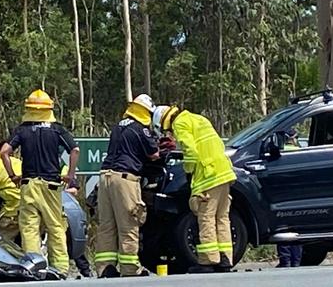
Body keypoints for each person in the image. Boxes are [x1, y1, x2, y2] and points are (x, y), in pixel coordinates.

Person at [0, 89, 80, 277]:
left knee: (29, 227)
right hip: (50, 185)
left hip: (28, 184)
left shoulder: (22, 130)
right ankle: (60, 268)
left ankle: (34, 266)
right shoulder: (57, 129)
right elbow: (75, 150)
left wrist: (13, 175)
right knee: (56, 226)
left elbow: (4, 152)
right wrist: (70, 174)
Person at [153, 106, 237, 274]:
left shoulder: (180, 123)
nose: (169, 132)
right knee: (222, 217)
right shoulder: (198, 118)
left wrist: (188, 171)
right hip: (225, 173)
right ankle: (225, 258)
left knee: (206, 217)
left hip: (208, 175)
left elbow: (190, 151)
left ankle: (208, 260)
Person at [95, 94, 160, 278]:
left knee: (107, 225)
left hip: (105, 177)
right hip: (125, 179)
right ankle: (130, 268)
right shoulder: (141, 129)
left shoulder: (118, 127)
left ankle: (105, 267)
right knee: (129, 223)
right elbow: (154, 154)